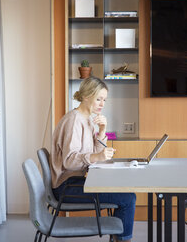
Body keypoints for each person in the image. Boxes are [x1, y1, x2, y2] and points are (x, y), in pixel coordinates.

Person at [50, 76, 136, 242]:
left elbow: (96, 155)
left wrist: (102, 130)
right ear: (85, 96)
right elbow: (69, 161)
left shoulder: (87, 120)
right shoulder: (74, 121)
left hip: (74, 181)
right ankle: (122, 239)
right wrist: (98, 156)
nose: (102, 104)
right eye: (99, 99)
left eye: (104, 100)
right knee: (128, 198)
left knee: (123, 192)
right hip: (65, 188)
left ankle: (118, 237)